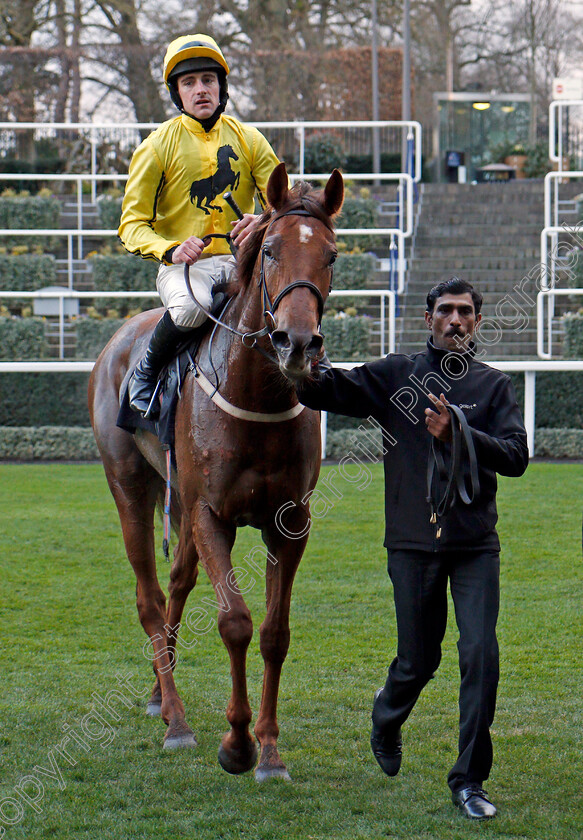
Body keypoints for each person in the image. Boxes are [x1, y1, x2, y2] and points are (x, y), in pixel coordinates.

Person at [297, 277, 529, 820]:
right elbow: (325, 390)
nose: (455, 320)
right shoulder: (396, 376)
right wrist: (303, 357)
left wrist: (459, 433)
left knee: (480, 655)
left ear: (476, 321)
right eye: (445, 310)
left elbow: (517, 457)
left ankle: (469, 781)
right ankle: (386, 716)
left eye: (465, 312)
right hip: (410, 544)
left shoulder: (494, 386)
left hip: (475, 545)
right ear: (428, 319)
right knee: (418, 661)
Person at [118, 34, 280, 417]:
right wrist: (171, 249)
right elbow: (131, 225)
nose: (201, 90)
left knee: (292, 302)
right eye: (189, 83)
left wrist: (262, 220)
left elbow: (285, 205)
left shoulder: (251, 140)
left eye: (208, 80)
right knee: (194, 307)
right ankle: (145, 371)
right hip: (185, 269)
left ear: (221, 87)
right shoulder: (156, 146)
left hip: (244, 262)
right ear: (177, 93)